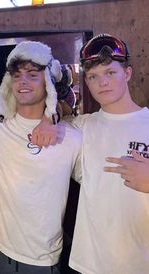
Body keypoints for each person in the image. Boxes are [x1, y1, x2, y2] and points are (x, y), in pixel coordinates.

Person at [0, 41, 81, 274]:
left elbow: (98, 183)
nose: (23, 81)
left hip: (41, 258)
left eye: (33, 75)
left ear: (48, 83)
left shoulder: (71, 137)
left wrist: (56, 112)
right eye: (17, 75)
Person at [68, 33, 149, 274]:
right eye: (93, 76)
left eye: (110, 73)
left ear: (127, 73)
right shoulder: (81, 126)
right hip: (89, 264)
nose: (102, 82)